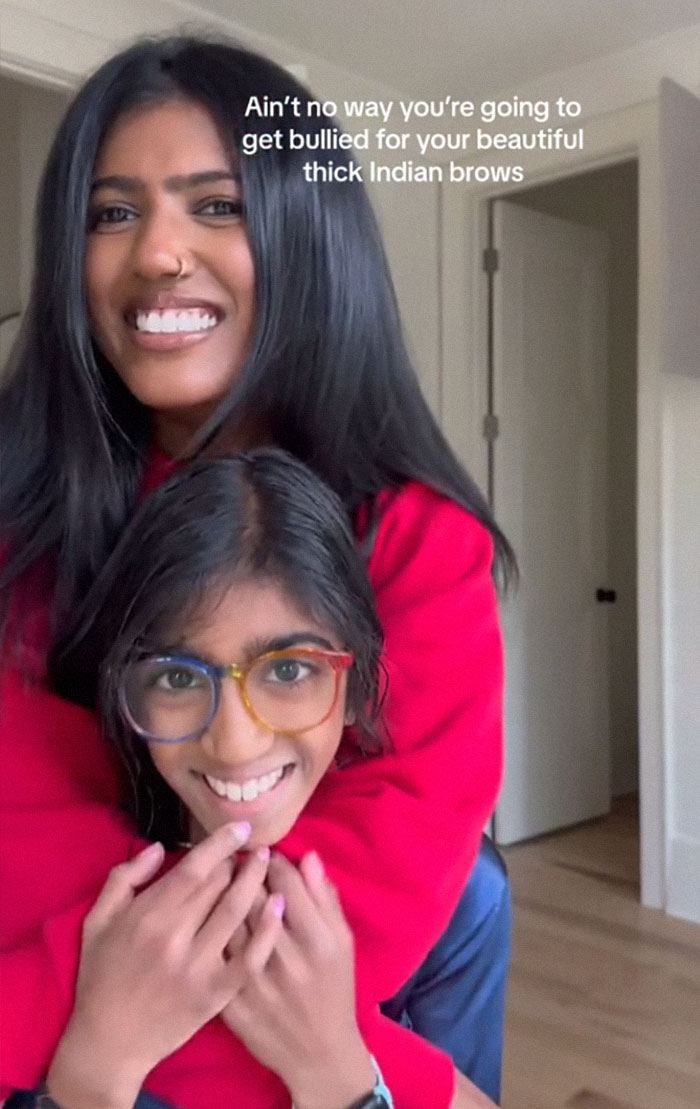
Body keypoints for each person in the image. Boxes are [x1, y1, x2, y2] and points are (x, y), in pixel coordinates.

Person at [0, 33, 514, 1109]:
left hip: (286, 996)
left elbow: (393, 859)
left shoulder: (417, 532)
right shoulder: (25, 521)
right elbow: (26, 847)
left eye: (217, 205)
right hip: (100, 1004)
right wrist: (407, 1087)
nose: (158, 252)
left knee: (474, 893)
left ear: (305, 233)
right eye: (112, 212)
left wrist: (347, 1069)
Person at [7, 451, 496, 1109]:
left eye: (288, 670)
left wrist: (340, 1075)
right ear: (128, 697)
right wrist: (96, 1068)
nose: (236, 742)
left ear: (356, 686)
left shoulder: (466, 909)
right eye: (177, 677)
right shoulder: (50, 912)